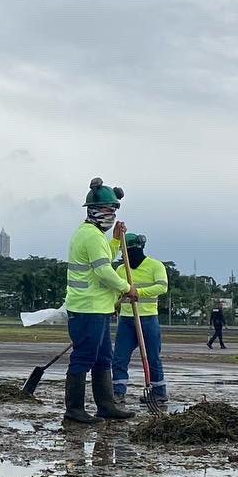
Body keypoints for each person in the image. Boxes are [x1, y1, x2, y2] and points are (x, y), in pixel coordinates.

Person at [62, 179, 138, 425]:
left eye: (114, 210)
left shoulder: (95, 235)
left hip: (99, 309)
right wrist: (127, 288)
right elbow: (104, 271)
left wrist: (115, 241)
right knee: (84, 358)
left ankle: (106, 405)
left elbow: (107, 256)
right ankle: (74, 409)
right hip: (87, 309)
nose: (112, 215)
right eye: (108, 210)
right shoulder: (91, 236)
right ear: (94, 210)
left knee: (104, 358)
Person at [110, 231, 168, 404]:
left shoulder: (155, 266)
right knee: (119, 357)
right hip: (126, 319)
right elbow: (115, 292)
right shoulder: (120, 270)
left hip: (148, 318)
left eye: (124, 251)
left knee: (152, 357)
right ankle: (118, 392)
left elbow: (162, 287)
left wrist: (137, 292)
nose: (122, 255)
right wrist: (114, 305)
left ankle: (159, 392)